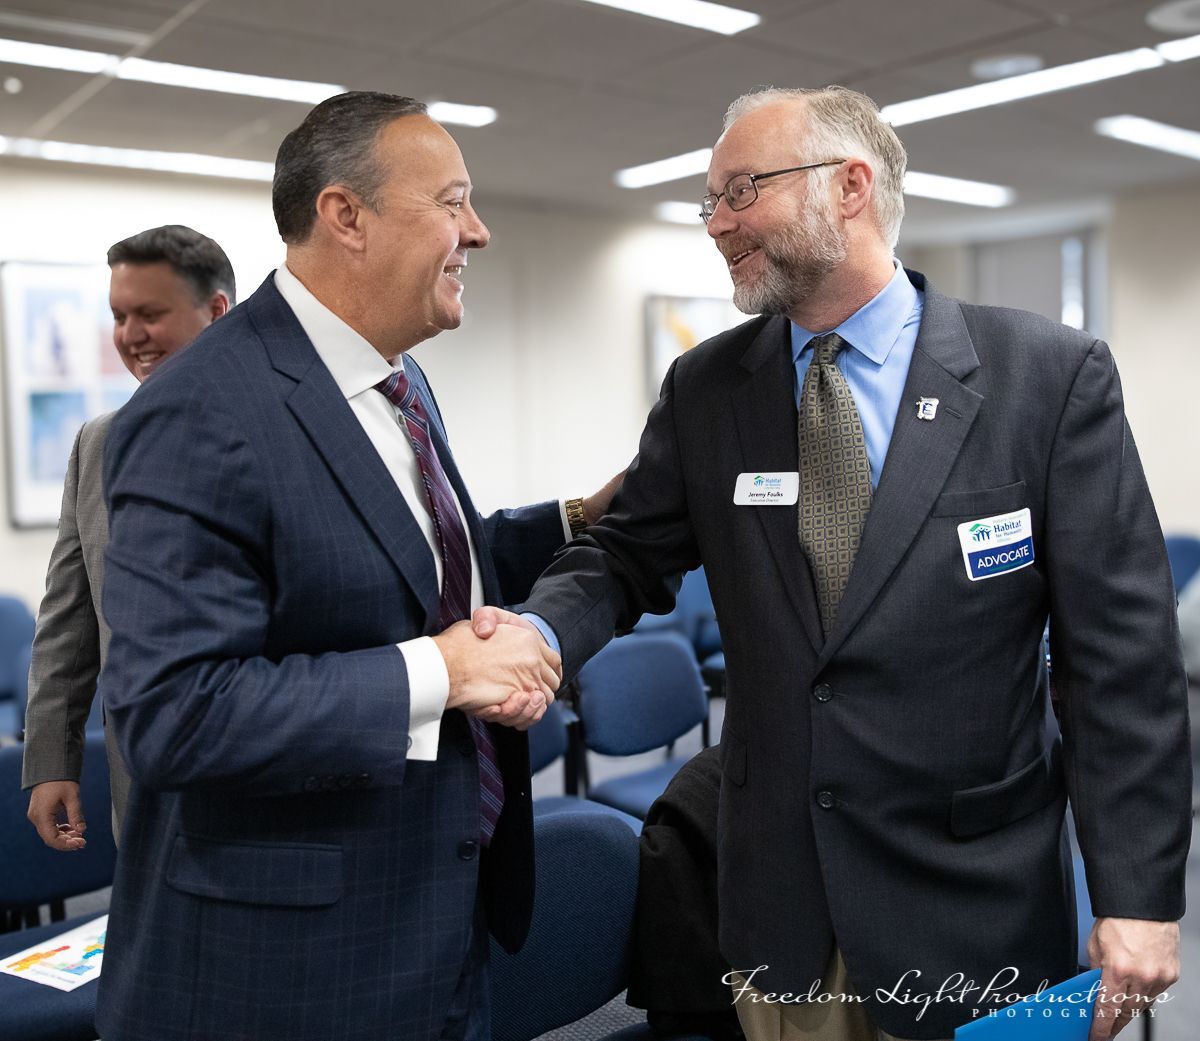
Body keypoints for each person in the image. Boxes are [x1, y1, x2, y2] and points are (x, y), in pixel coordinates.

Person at [482, 86, 1191, 1041]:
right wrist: (536, 631)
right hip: (783, 903)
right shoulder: (708, 388)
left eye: (742, 190)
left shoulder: (1047, 377)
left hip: (971, 901)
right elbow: (622, 554)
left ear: (850, 186)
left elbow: (1122, 660)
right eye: (709, 200)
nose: (717, 223)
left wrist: (1138, 893)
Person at [94, 92, 619, 1041]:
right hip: (286, 972)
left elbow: (416, 572)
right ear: (346, 215)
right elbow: (174, 714)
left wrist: (580, 515)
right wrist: (445, 670)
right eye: (452, 202)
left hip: (434, 910)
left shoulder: (398, 380)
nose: (478, 230)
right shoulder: (199, 409)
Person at [21, 225, 234, 849]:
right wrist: (52, 760)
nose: (130, 335)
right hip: (138, 782)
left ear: (216, 311)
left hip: (259, 781)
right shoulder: (98, 443)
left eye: (150, 314)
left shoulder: (283, 429)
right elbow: (69, 617)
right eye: (119, 317)